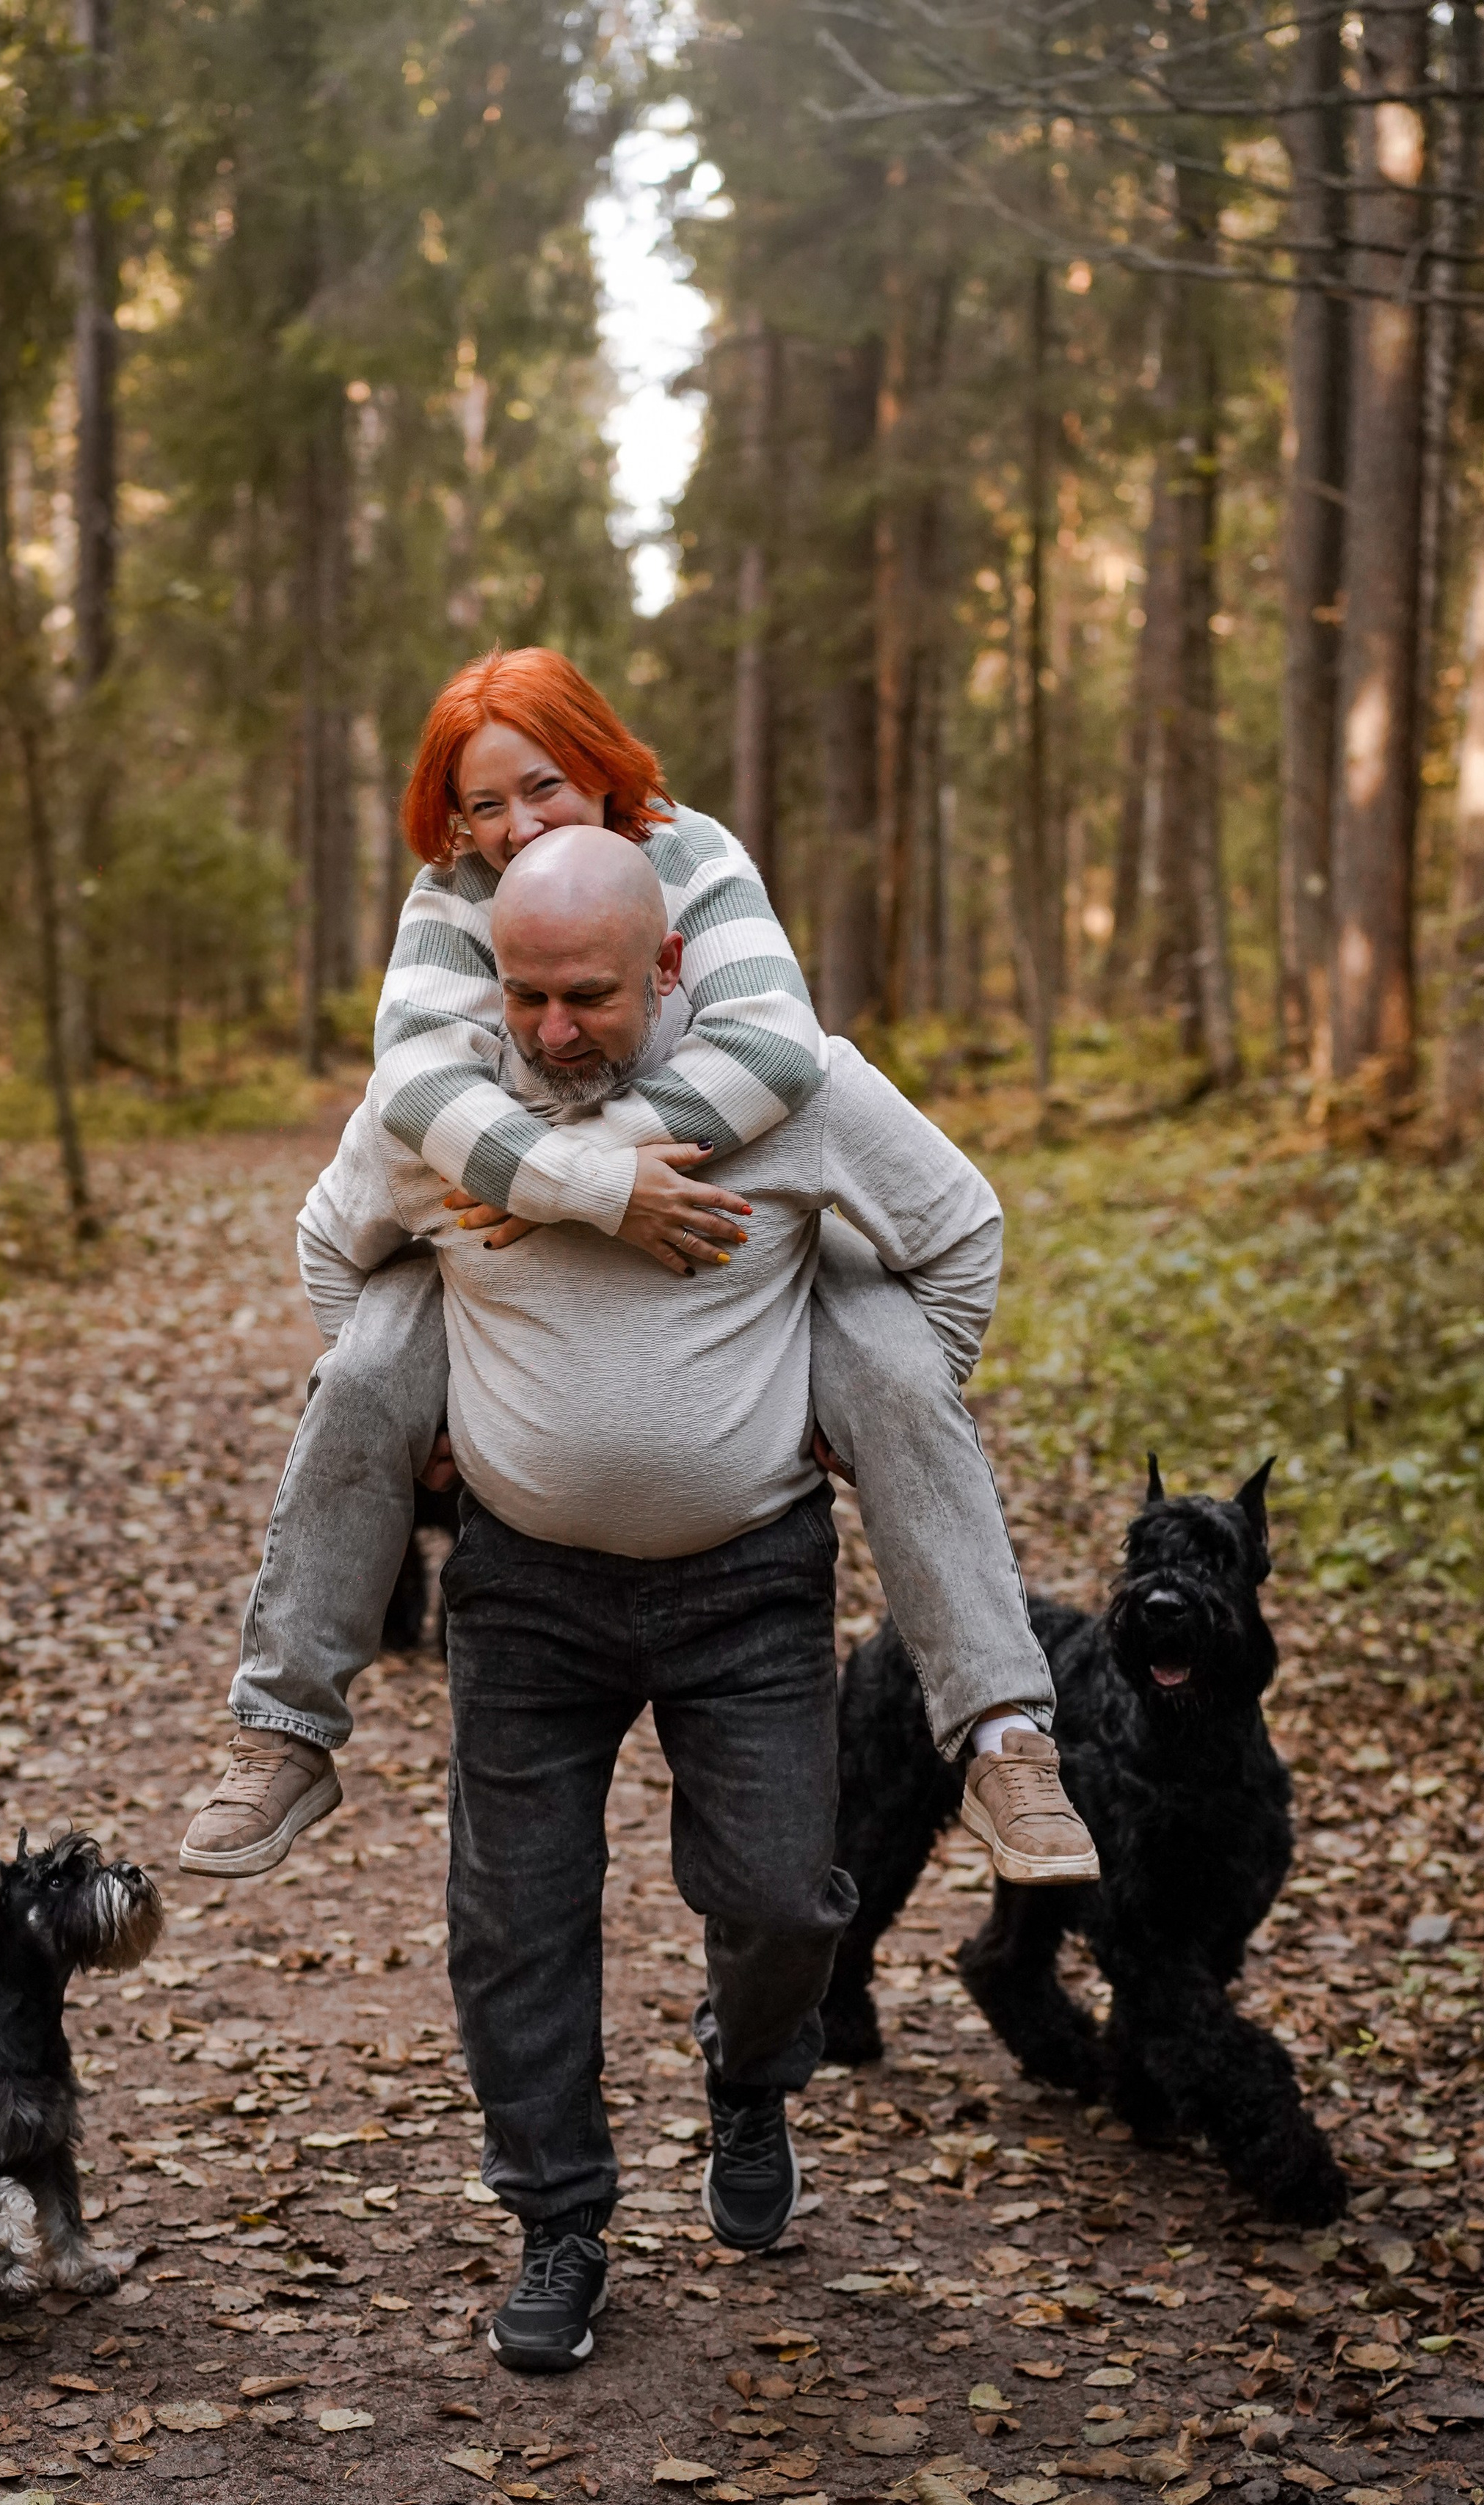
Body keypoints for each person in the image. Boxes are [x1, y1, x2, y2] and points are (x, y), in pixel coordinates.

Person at [294, 826, 1036, 2368]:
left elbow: (961, 1231)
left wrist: (878, 1406)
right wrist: (419, 1420)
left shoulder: (796, 1089)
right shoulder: (444, 1102)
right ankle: (558, 2224)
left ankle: (747, 2085)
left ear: (671, 968)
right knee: (515, 1925)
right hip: (523, 1588)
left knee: (782, 1901)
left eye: (589, 996)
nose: (552, 1031)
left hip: (748, 1583)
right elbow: (329, 1247)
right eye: (525, 995)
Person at [181, 646, 1094, 1898]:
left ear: (605, 772)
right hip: (516, 1290)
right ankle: (282, 1724)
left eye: (542, 788)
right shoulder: (452, 892)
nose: (513, 830)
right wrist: (453, 1386)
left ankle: (1003, 1735)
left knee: (892, 1361)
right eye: (482, 804)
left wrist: (861, 1411)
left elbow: (775, 1048)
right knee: (370, 1355)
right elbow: (411, 1089)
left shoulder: (697, 856)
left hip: (729, 1197)